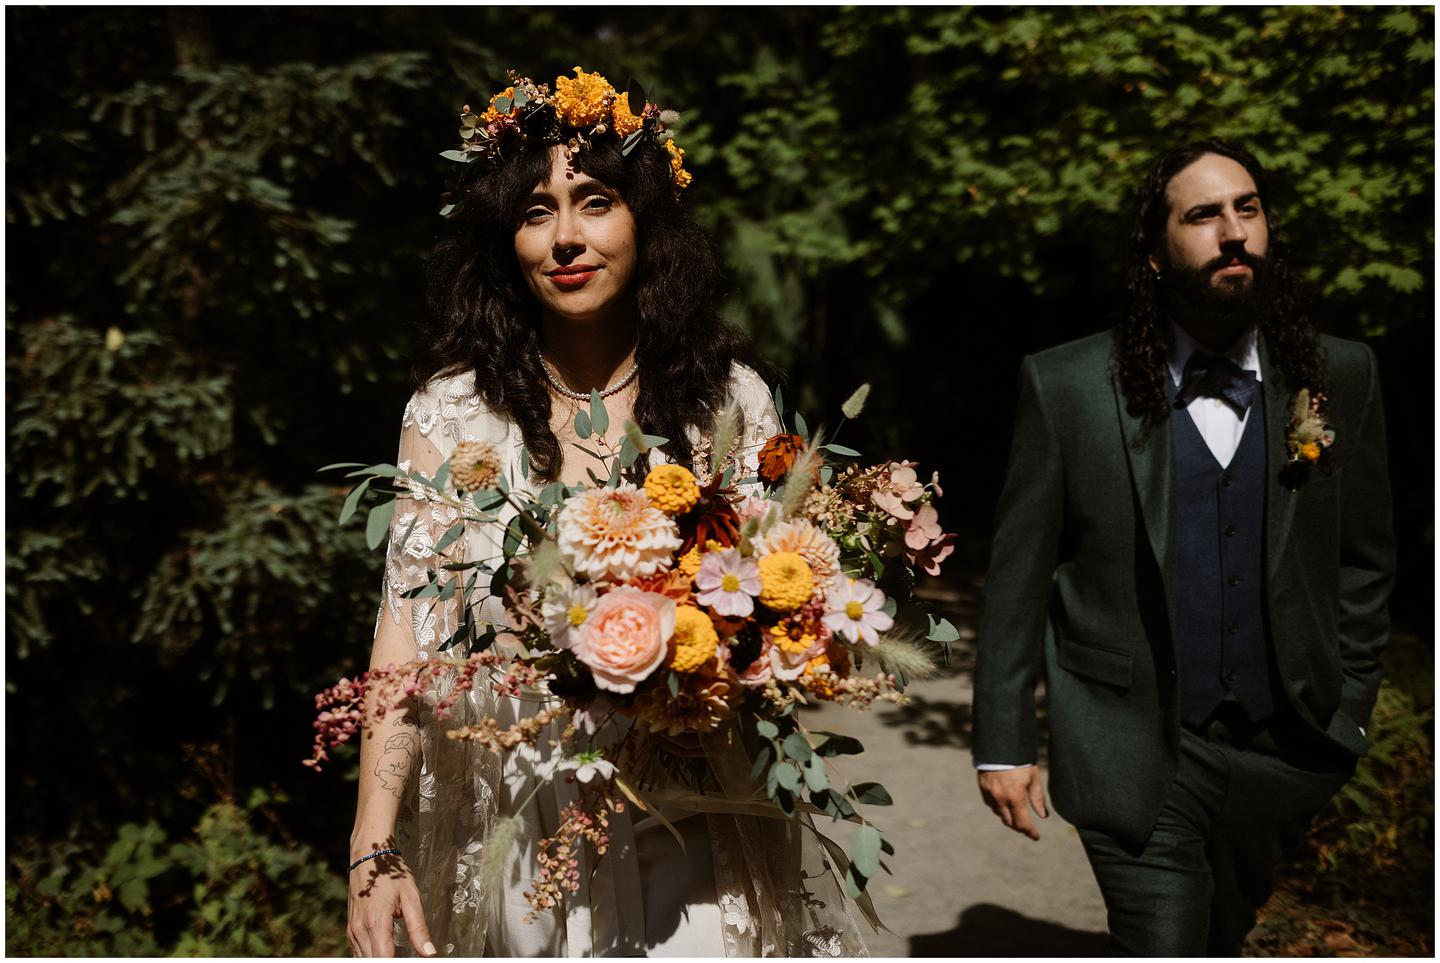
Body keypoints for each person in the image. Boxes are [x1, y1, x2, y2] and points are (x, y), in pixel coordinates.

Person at [345, 69, 867, 958]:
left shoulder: (727, 402)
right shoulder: (452, 414)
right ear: (503, 240)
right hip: (522, 814)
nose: (566, 239)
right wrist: (374, 841)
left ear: (646, 223)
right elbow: (408, 635)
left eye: (595, 202)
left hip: (700, 807)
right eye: (536, 212)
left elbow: (798, 610)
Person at [971, 139, 1395, 955]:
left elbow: (1366, 563)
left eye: (1248, 208)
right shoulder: (1065, 388)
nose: (1234, 232)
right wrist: (1003, 741)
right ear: (1157, 253)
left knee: (1219, 938)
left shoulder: (1343, 375)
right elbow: (1018, 580)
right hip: (1132, 747)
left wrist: (1349, 713)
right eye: (1203, 215)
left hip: (1287, 748)